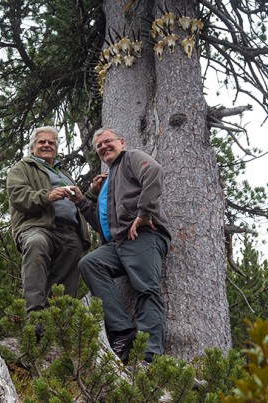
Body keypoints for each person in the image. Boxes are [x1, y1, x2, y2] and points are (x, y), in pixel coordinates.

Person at [69, 127, 172, 364]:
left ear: (122, 141)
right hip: (117, 243)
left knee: (146, 290)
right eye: (99, 146)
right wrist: (83, 201)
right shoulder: (108, 181)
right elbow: (103, 224)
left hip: (143, 236)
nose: (104, 147)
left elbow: (154, 171)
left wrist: (145, 213)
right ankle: (124, 330)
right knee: (90, 263)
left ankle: (150, 356)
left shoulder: (131, 158)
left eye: (108, 141)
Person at [6, 126, 92, 322]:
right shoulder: (22, 168)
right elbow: (18, 196)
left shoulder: (64, 173)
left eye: (51, 142)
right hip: (37, 227)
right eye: (41, 142)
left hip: (70, 231)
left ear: (56, 147)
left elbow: (79, 203)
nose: (46, 145)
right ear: (32, 148)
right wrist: (48, 196)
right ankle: (35, 316)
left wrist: (91, 193)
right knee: (36, 244)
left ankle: (59, 323)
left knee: (71, 261)